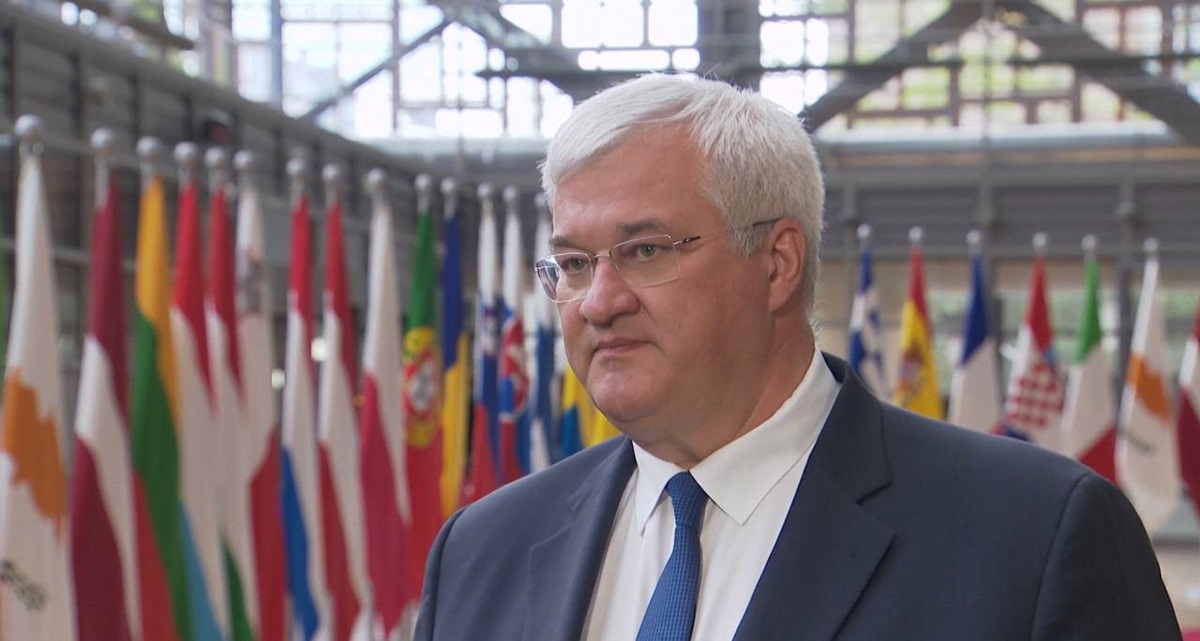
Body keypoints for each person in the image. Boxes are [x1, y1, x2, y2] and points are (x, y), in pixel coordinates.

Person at [415, 73, 1180, 641]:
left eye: (644, 250)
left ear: (778, 261)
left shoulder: (1034, 537)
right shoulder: (481, 549)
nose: (597, 301)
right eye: (575, 263)